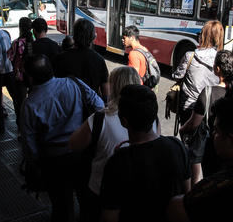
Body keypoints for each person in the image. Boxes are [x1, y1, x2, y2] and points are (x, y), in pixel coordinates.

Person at [69, 66, 160, 222]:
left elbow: (73, 145)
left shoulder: (100, 119)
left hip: (101, 191)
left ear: (114, 86)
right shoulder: (150, 118)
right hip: (139, 189)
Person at [21, 54, 104, 222]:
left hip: (53, 162)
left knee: (62, 206)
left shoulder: (29, 105)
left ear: (30, 78)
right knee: (86, 198)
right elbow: (99, 106)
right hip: (82, 153)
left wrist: (36, 165)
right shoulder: (73, 83)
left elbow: (29, 143)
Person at [99, 84, 191, 222]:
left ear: (124, 121)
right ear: (154, 115)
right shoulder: (177, 147)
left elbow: (109, 217)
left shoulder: (117, 163)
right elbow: (186, 200)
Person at [179, 50, 233, 186]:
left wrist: (182, 130)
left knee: (213, 187)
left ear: (217, 69)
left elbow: (194, 123)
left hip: (215, 151)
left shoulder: (208, 92)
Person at [172, 20, 224, 126]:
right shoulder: (222, 59)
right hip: (211, 109)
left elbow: (178, 76)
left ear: (203, 37)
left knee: (187, 138)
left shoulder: (190, 56)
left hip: (189, 107)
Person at [52, 18, 109, 101]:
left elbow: (53, 86)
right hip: (90, 108)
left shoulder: (59, 58)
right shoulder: (99, 60)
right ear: (93, 37)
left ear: (74, 36)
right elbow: (105, 90)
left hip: (66, 106)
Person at [7, 17, 34, 131]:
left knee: (19, 101)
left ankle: (21, 123)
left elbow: (10, 57)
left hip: (19, 76)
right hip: (32, 75)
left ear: (20, 27)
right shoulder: (33, 41)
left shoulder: (16, 42)